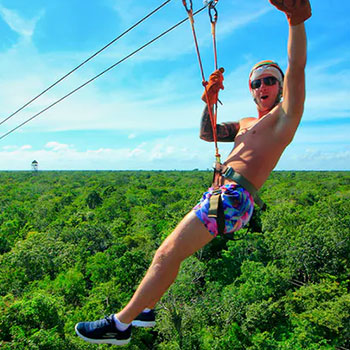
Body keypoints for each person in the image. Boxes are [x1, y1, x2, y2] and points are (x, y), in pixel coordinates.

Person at [75, 0, 311, 345]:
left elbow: (298, 65)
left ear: (280, 86)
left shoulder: (284, 119)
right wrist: (209, 101)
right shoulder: (247, 124)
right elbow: (207, 134)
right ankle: (145, 309)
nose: (263, 88)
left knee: (166, 253)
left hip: (233, 195)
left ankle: (120, 324)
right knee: (171, 252)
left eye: (270, 81)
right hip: (221, 194)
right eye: (256, 83)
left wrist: (295, 20)